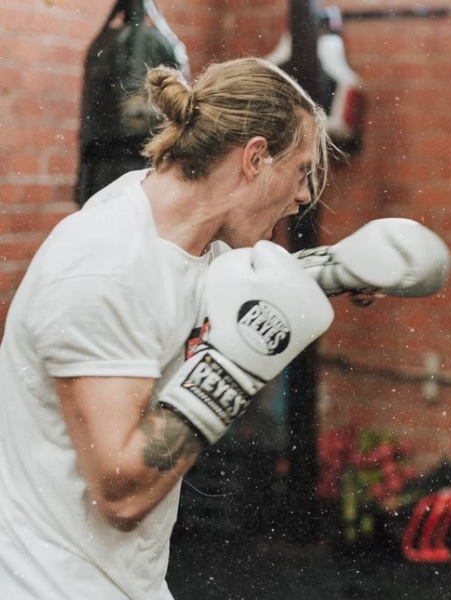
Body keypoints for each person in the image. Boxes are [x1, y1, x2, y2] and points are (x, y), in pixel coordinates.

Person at [0, 57, 336, 599]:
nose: (302, 196)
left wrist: (343, 269)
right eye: (301, 171)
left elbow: (224, 277)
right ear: (254, 158)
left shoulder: (173, 220)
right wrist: (231, 364)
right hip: (48, 584)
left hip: (124, 582)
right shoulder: (103, 267)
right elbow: (120, 491)